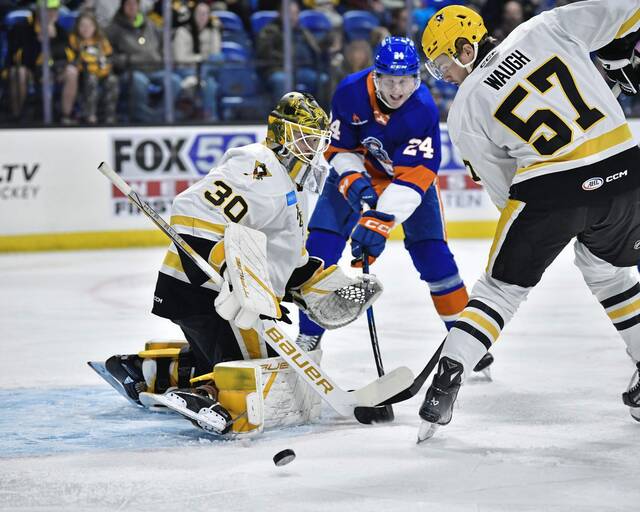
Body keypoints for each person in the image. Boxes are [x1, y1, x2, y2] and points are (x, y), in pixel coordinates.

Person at [94, 92, 381, 435]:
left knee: (276, 368)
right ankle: (205, 394)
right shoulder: (258, 167)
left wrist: (321, 285)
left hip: (228, 297)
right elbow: (191, 210)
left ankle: (147, 372)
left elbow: (285, 258)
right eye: (305, 136)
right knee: (256, 374)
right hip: (201, 289)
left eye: (316, 139)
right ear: (282, 134)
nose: (313, 146)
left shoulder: (294, 184)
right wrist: (232, 274)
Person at [417, 1, 640, 442]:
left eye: (443, 61)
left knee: (500, 291)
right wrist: (618, 55)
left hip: (548, 191)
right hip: (625, 173)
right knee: (610, 274)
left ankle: (450, 373)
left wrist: (540, 231)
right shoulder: (546, 26)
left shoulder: (463, 110)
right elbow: (628, 9)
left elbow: (505, 189)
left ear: (466, 48)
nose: (441, 74)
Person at [296, 36, 493, 375]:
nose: (398, 89)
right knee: (319, 249)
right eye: (390, 80)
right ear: (377, 76)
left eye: (404, 80)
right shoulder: (349, 92)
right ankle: (307, 337)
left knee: (434, 258)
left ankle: (467, 344)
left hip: (407, 183)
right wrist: (355, 183)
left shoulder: (423, 109)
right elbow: (339, 148)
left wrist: (378, 220)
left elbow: (415, 177)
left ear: (415, 78)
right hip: (357, 172)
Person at [107, 0, 182, 122]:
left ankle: (159, 116)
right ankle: (142, 119)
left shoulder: (150, 24)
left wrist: (162, 57)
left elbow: (164, 43)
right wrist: (127, 60)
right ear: (122, 7)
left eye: (134, 4)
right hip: (131, 71)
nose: (132, 7)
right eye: (128, 4)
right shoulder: (114, 28)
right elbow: (110, 54)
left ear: (138, 6)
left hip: (155, 68)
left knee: (174, 81)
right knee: (139, 82)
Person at [6, 0, 71, 121]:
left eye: (55, 10)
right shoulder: (23, 28)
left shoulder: (60, 31)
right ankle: (16, 116)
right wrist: (39, 41)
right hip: (29, 69)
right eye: (48, 10)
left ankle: (65, 116)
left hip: (54, 71)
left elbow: (66, 58)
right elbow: (17, 58)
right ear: (39, 11)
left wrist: (53, 40)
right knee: (19, 73)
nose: (52, 13)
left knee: (72, 72)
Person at [64, 11, 119, 124]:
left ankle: (110, 115)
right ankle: (90, 115)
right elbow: (72, 59)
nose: (86, 29)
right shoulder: (74, 40)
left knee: (112, 80)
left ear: (95, 27)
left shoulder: (101, 40)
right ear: (77, 27)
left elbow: (109, 57)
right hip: (83, 74)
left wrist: (104, 67)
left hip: (102, 72)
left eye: (89, 25)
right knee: (91, 80)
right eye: (82, 26)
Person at [172, 1, 222, 122]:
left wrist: (201, 61)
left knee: (212, 78)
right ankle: (211, 118)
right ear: (193, 14)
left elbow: (215, 55)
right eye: (199, 13)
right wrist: (200, 59)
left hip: (206, 71)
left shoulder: (212, 31)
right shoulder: (183, 31)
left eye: (205, 14)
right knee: (210, 82)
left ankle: (210, 119)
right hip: (186, 71)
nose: (202, 17)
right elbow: (179, 57)